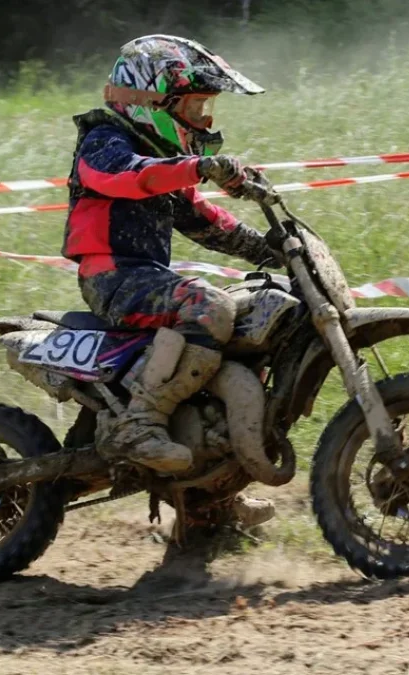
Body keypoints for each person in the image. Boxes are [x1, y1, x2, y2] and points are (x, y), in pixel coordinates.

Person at [62, 34, 277, 527]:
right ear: (151, 100)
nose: (206, 119)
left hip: (147, 276)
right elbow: (129, 176)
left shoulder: (165, 163)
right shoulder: (105, 142)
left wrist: (273, 247)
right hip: (112, 277)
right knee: (210, 307)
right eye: (197, 104)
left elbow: (204, 221)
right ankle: (138, 423)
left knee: (245, 324)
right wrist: (197, 166)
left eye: (208, 106)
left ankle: (211, 490)